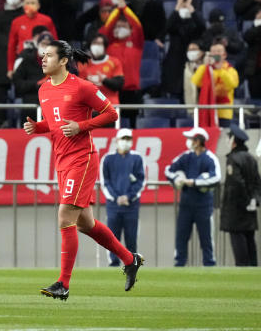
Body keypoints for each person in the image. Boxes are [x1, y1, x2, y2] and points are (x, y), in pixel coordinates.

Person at [22, 40, 142, 300]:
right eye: (42, 56)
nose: (43, 60)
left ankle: (63, 284)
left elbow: (112, 114)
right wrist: (38, 127)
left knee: (65, 216)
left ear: (64, 60)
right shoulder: (43, 90)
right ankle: (129, 259)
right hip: (61, 160)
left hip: (82, 158)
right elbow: (55, 122)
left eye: (49, 56)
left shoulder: (82, 87)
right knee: (85, 223)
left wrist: (81, 126)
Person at [166, 127, 221, 266]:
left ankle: (209, 265)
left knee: (206, 239)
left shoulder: (210, 158)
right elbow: (168, 169)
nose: (188, 141)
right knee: (181, 237)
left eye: (191, 139)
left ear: (198, 141)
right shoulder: (186, 156)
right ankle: (179, 265)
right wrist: (177, 179)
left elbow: (216, 178)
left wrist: (195, 182)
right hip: (186, 204)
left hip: (203, 205)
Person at [101, 129, 146, 266]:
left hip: (131, 206)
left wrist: (129, 197)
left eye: (128, 139)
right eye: (123, 139)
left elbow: (141, 181)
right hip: (113, 206)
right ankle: (113, 264)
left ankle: (131, 265)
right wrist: (116, 198)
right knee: (111, 238)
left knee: (131, 238)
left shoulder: (137, 158)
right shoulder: (107, 159)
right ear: (117, 141)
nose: (126, 142)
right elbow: (105, 182)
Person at [221, 124, 260, 266]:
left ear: (233, 140)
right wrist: (254, 201)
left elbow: (236, 184)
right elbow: (257, 183)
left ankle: (242, 270)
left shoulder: (233, 159)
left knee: (239, 245)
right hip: (250, 209)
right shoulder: (251, 159)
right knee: (250, 243)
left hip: (236, 209)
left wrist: (245, 201)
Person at [191, 43, 239, 127]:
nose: (216, 54)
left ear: (224, 55)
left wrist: (221, 70)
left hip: (224, 113)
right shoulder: (206, 69)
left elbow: (233, 84)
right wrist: (204, 65)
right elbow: (195, 81)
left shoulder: (230, 70)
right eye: (213, 52)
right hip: (208, 111)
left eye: (219, 51)